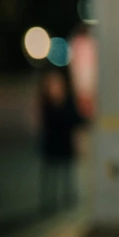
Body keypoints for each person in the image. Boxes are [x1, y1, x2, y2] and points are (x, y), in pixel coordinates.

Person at [37, 67, 87, 212]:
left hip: (64, 143)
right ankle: (48, 201)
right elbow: (52, 120)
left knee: (66, 172)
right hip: (52, 142)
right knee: (51, 174)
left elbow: (75, 118)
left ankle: (68, 198)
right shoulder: (47, 102)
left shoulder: (68, 99)